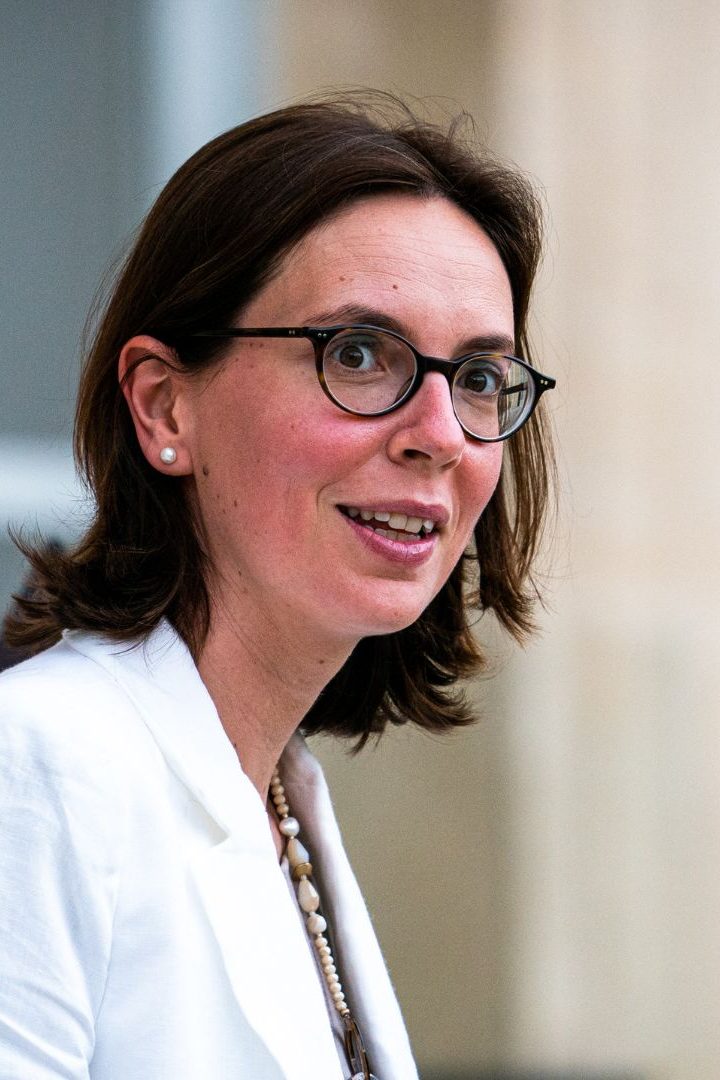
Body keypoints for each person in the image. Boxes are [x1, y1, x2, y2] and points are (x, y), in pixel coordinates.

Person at [0, 94, 555, 1079]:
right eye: (357, 353)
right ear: (166, 405)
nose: (436, 432)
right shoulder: (38, 763)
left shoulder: (282, 798)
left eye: (478, 376)